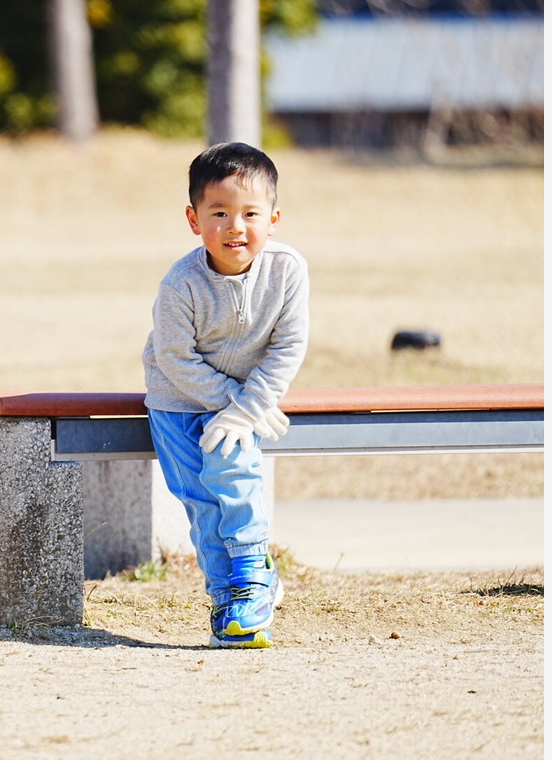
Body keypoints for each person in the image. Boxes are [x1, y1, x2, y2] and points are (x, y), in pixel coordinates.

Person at [142, 141, 309, 648]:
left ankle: (253, 578)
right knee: (200, 502)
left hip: (240, 406)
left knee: (232, 476)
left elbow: (288, 345)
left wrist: (246, 412)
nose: (235, 227)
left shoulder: (286, 270)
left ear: (273, 218)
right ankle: (230, 603)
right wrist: (239, 403)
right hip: (177, 402)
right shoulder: (182, 284)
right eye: (219, 213)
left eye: (250, 213)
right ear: (194, 220)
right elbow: (175, 357)